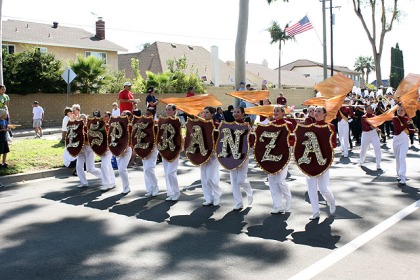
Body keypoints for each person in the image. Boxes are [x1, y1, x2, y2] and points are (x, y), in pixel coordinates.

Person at [305, 106, 337, 220]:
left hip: (323, 160)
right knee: (311, 187)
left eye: (319, 111)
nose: (316, 113)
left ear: (324, 114)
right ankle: (315, 211)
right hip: (310, 160)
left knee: (323, 188)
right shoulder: (309, 127)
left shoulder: (330, 126)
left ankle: (332, 201)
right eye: (315, 111)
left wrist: (324, 145)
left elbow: (334, 143)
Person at [268, 106, 293, 214]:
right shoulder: (270, 124)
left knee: (280, 181)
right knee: (272, 182)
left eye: (277, 111)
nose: (275, 112)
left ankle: (288, 198)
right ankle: (277, 206)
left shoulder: (289, 124)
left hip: (283, 154)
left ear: (283, 113)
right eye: (274, 111)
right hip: (271, 155)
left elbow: (292, 139)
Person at [229, 106, 253, 210]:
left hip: (243, 156)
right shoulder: (228, 125)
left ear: (243, 114)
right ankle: (238, 203)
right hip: (231, 156)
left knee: (241, 179)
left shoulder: (246, 126)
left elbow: (251, 141)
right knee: (234, 180)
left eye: (238, 112)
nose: (235, 114)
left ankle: (249, 192)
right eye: (234, 112)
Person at [72, 111, 102, 188]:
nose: (83, 120)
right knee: (78, 167)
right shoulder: (76, 127)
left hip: (88, 149)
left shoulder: (90, 127)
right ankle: (84, 182)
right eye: (81, 119)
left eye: (84, 119)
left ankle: (104, 176)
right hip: (80, 150)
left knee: (90, 169)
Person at [200, 106, 222, 206]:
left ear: (212, 114)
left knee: (210, 177)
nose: (205, 114)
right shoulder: (199, 124)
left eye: (207, 112)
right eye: (204, 112)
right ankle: (208, 198)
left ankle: (217, 194)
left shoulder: (217, 125)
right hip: (202, 154)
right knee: (204, 177)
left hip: (213, 154)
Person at [162, 104, 181, 201]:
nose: (167, 111)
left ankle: (176, 192)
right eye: (166, 110)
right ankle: (170, 192)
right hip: (165, 149)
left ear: (174, 111)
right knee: (166, 172)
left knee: (170, 172)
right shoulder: (164, 121)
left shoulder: (177, 121)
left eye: (169, 110)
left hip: (174, 149)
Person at [392, 105, 413, 185]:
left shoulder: (407, 119)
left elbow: (407, 130)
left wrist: (414, 130)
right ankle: (399, 175)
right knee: (397, 158)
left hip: (404, 140)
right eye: (398, 110)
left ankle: (403, 177)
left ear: (404, 112)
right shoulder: (395, 119)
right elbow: (397, 131)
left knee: (402, 157)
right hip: (396, 140)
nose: (400, 112)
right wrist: (407, 123)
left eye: (402, 110)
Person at [142, 107, 160, 197]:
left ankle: (155, 186)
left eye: (148, 114)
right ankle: (149, 189)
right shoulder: (143, 123)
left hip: (153, 148)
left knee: (149, 168)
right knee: (145, 170)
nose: (147, 115)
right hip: (143, 148)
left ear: (153, 115)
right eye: (146, 113)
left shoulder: (156, 124)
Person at [358, 104, 382, 170]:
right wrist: (373, 127)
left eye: (371, 108)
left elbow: (377, 124)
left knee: (377, 149)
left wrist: (378, 128)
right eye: (368, 109)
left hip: (374, 134)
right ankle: (361, 161)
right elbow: (365, 127)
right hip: (366, 134)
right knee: (363, 150)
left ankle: (378, 164)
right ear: (365, 110)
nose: (370, 110)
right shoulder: (363, 117)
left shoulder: (374, 116)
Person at [117, 110, 133, 194]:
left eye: (124, 115)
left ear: (129, 117)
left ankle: (127, 186)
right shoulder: (118, 125)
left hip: (127, 149)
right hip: (119, 149)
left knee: (121, 169)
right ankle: (125, 186)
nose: (122, 116)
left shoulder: (131, 126)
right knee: (121, 169)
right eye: (121, 114)